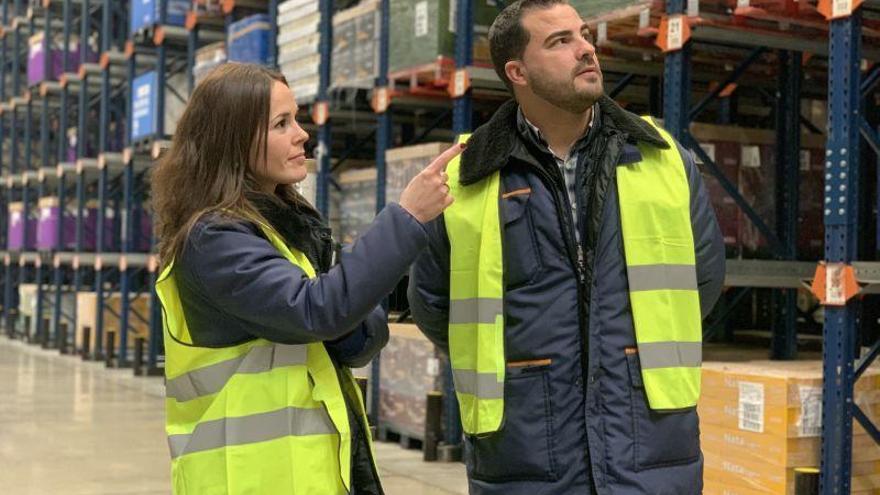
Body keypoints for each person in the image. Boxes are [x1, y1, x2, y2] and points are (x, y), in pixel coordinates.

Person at [407, 1, 726, 494]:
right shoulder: (463, 177)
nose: (586, 50)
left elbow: (701, 281)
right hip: (524, 452)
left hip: (649, 446)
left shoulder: (663, 159)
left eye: (583, 35)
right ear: (518, 71)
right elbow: (433, 304)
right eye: (560, 42)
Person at [152, 63, 461, 495]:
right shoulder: (213, 241)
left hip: (313, 472)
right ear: (234, 142)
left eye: (295, 118)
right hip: (249, 480)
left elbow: (356, 334)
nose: (302, 134)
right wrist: (406, 218)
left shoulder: (287, 230)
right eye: (282, 123)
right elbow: (319, 311)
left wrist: (346, 305)